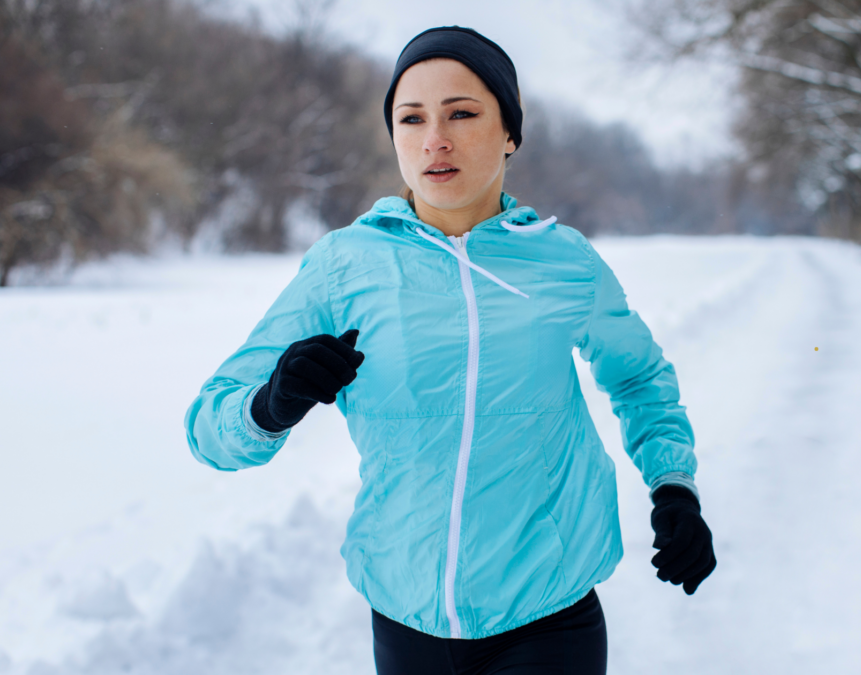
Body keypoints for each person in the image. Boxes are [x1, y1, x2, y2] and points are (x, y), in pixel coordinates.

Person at [183, 25, 715, 675]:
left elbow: (639, 379)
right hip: (408, 618)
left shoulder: (563, 261)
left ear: (510, 132)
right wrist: (271, 403)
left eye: (462, 113)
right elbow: (211, 425)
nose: (435, 138)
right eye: (411, 118)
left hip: (548, 615)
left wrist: (673, 486)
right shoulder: (344, 265)